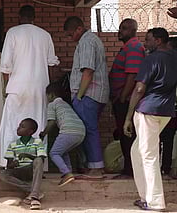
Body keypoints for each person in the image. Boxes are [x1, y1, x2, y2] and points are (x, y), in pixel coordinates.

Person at [0, 5, 59, 168]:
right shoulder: (45, 35)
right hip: (39, 88)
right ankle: (38, 165)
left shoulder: (13, 33)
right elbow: (52, 63)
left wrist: (5, 88)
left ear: (19, 17)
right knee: (38, 125)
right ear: (34, 17)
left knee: (12, 125)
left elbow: (5, 66)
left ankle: (8, 162)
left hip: (17, 87)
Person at [123, 28, 177, 211]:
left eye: (148, 40)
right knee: (137, 151)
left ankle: (154, 202)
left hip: (148, 111)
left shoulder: (150, 59)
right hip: (166, 112)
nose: (145, 44)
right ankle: (145, 196)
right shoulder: (174, 58)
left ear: (159, 40)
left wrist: (128, 117)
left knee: (148, 155)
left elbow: (139, 89)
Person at [64, 16, 109, 179]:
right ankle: (94, 166)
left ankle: (96, 167)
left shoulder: (86, 42)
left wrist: (79, 96)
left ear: (79, 29)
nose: (71, 38)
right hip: (95, 94)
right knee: (90, 129)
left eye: (71, 34)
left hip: (89, 94)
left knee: (89, 130)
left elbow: (88, 71)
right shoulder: (91, 40)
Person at [109, 18, 145, 179]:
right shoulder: (128, 47)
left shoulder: (134, 48)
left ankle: (130, 171)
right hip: (121, 98)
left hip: (127, 100)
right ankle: (129, 169)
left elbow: (132, 75)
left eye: (124, 28)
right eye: (120, 28)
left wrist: (122, 97)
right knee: (125, 136)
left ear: (133, 30)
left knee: (127, 135)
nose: (120, 31)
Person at [39, 82, 86, 187]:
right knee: (63, 151)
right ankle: (68, 172)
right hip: (81, 132)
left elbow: (51, 122)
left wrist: (43, 133)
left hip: (68, 131)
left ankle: (67, 173)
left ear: (51, 95)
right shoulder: (65, 104)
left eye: (47, 96)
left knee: (54, 153)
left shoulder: (52, 104)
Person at [0, 118, 46, 210]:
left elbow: (41, 159)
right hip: (19, 172)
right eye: (19, 126)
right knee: (2, 173)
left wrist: (28, 156)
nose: (18, 128)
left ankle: (33, 195)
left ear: (30, 131)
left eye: (22, 126)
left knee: (39, 160)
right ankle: (34, 191)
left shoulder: (37, 142)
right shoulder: (13, 144)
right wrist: (13, 164)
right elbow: (9, 165)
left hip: (31, 170)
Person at [160, 37, 177, 176]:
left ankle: (166, 167)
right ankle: (166, 167)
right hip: (170, 109)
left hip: (169, 109)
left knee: (166, 138)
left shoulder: (169, 64)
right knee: (167, 138)